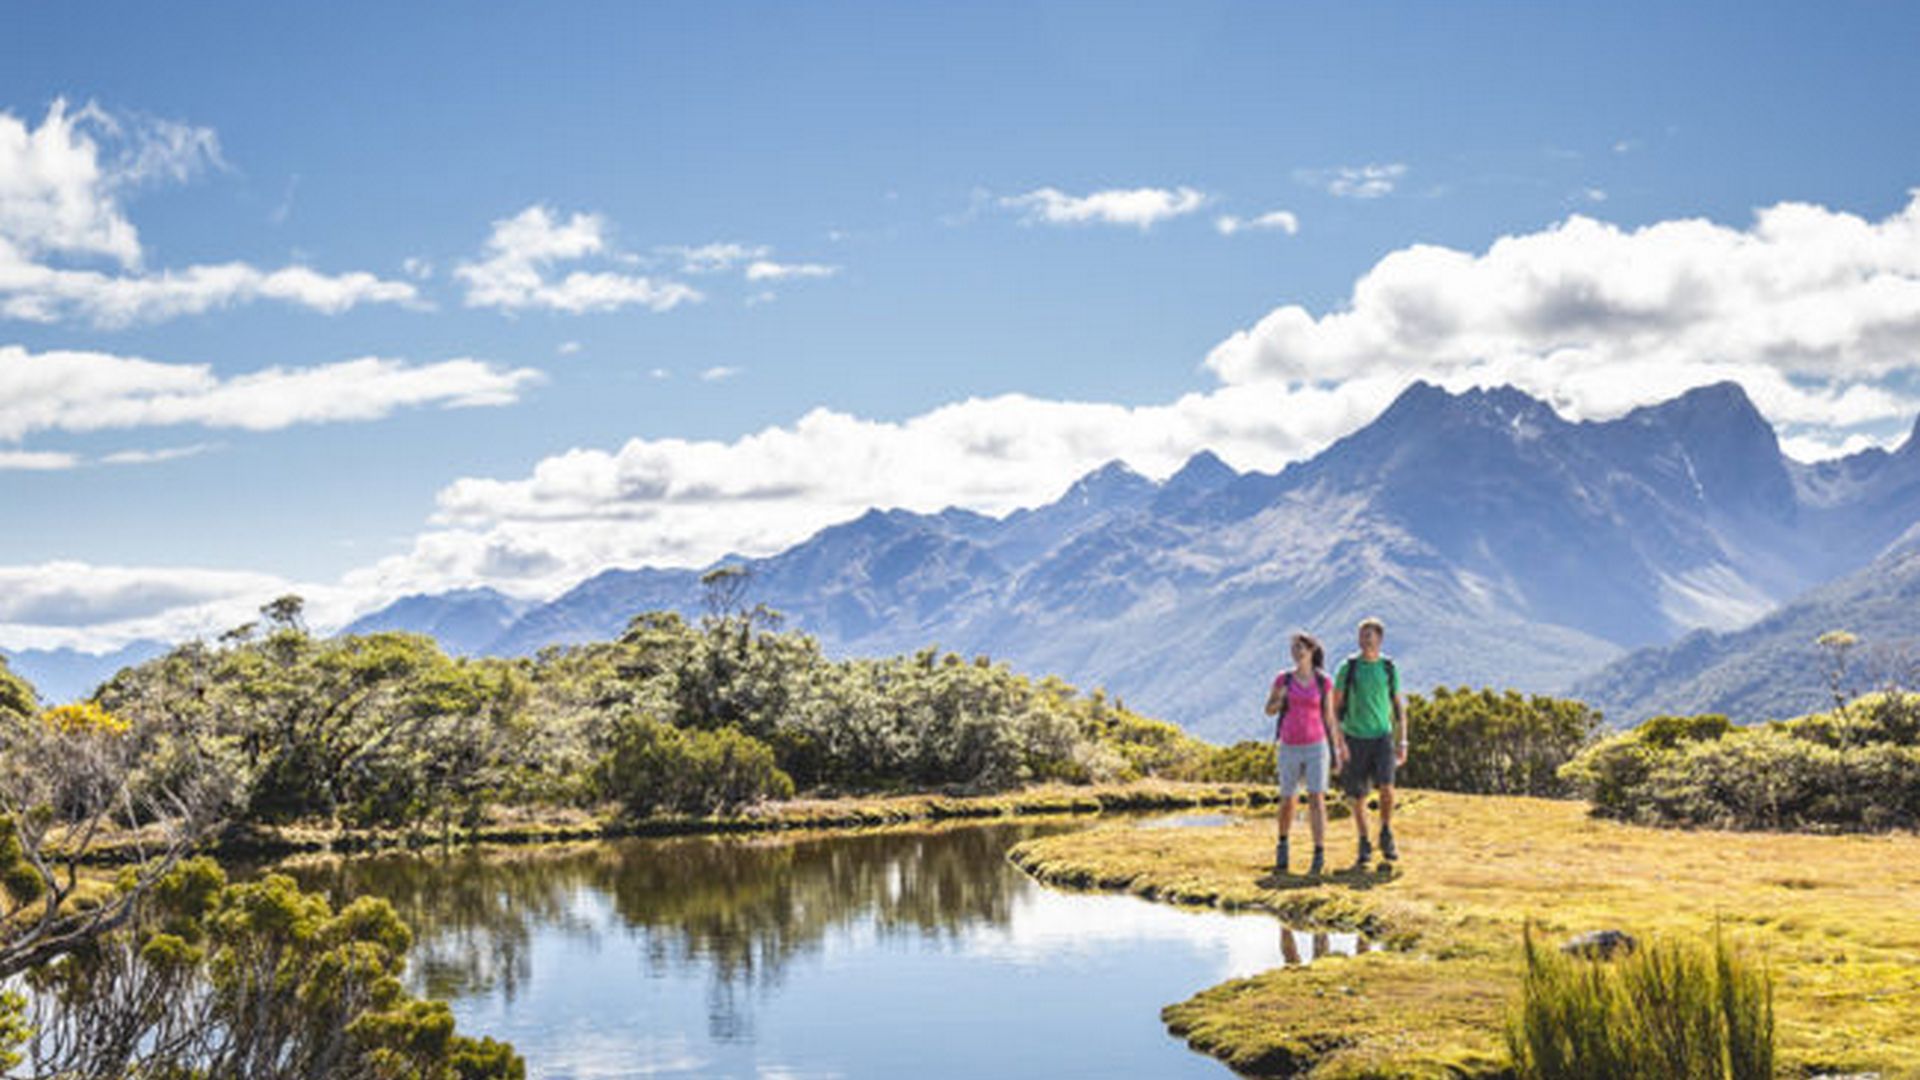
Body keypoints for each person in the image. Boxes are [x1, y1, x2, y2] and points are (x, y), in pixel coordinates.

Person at [1264, 631, 1346, 875]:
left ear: (1312, 651)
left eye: (1302, 648)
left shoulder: (1324, 682)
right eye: (1295, 648)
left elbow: (1330, 718)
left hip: (1316, 746)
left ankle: (1319, 854)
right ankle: (1282, 845)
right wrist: (1281, 700)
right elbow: (1269, 710)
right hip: (1289, 745)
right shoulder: (1283, 679)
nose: (1298, 652)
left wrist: (1336, 750)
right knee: (1288, 799)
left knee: (1316, 798)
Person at [1330, 617, 1407, 869]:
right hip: (1354, 738)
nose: (1366, 640)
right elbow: (1335, 707)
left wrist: (1402, 740)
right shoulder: (1348, 668)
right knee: (1358, 796)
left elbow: (1398, 707)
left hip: (1382, 736)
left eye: (1371, 635)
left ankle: (1386, 832)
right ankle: (1364, 842)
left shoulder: (1388, 668)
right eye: (1363, 635)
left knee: (1387, 786)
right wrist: (1338, 742)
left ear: (1380, 639)